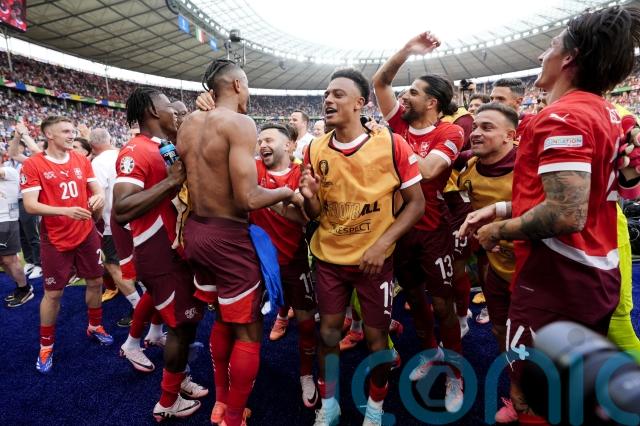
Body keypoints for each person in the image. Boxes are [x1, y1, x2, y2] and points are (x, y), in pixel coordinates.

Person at [459, 5, 640, 422]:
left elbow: (565, 213)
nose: (542, 55)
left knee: (537, 393)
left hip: (559, 281)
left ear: (569, 58)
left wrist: (497, 230)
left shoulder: (564, 116)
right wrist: (499, 208)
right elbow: (589, 198)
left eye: (551, 46)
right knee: (566, 387)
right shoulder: (605, 112)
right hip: (589, 276)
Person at [301, 68, 424, 425]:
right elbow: (315, 212)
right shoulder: (315, 148)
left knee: (376, 340)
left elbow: (416, 203)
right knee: (328, 333)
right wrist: (309, 198)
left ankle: (375, 408)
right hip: (329, 258)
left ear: (360, 103)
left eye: (338, 94)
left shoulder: (391, 144)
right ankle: (329, 405)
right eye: (326, 94)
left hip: (375, 261)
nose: (328, 99)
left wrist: (382, 243)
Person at [179, 59, 295, 426]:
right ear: (237, 85)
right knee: (247, 328)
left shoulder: (188, 122)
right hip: (227, 238)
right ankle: (232, 417)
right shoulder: (240, 123)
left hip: (195, 232)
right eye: (248, 86)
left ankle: (220, 403)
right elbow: (247, 197)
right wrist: (287, 192)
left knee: (222, 318)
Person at [372, 31, 466, 413]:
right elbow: (380, 82)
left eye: (412, 92)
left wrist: (390, 143)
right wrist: (406, 51)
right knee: (412, 297)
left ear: (432, 102)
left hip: (433, 230)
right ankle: (430, 352)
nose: (403, 97)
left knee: (443, 305)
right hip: (400, 229)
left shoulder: (451, 131)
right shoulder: (399, 124)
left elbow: (427, 170)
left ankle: (456, 373)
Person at [113, 88, 207, 421]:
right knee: (180, 328)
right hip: (159, 254)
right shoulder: (135, 150)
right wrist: (170, 183)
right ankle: (167, 402)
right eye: (170, 108)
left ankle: (180, 380)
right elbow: (121, 209)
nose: (175, 114)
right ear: (153, 110)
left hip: (175, 252)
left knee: (185, 324)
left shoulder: (161, 147)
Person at [20, 115, 111, 374]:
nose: (72, 135)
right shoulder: (33, 164)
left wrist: (98, 198)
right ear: (49, 135)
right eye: (66, 131)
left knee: (96, 281)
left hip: (86, 233)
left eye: (73, 131)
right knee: (54, 294)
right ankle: (46, 346)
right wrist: (65, 211)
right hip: (55, 238)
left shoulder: (82, 160)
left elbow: (96, 189)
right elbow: (30, 205)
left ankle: (95, 325)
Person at [250, 123, 319, 409]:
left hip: (293, 258)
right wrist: (285, 197)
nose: (262, 145)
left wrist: (262, 197)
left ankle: (306, 374)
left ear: (289, 145)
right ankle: (248, 371)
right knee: (248, 322)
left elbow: (304, 217)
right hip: (255, 261)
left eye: (268, 139)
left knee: (306, 323)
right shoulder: (252, 168)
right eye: (259, 141)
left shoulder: (301, 173)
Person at [90, 128, 140, 327]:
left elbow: (99, 198)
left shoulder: (98, 163)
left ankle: (139, 307)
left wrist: (95, 219)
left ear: (92, 146)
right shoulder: (125, 154)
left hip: (115, 223)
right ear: (109, 139)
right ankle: (151, 304)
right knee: (138, 263)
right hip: (138, 217)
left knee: (113, 265)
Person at [6, 120, 42, 280]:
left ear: (21, 148)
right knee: (21, 234)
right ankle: (30, 261)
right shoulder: (7, 163)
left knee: (32, 234)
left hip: (25, 201)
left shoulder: (28, 162)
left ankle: (39, 263)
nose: (9, 148)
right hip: (12, 203)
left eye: (12, 146)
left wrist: (22, 134)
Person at [0, 159, 33, 308]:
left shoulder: (10, 171)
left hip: (6, 220)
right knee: (2, 261)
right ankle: (21, 286)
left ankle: (25, 289)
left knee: (10, 259)